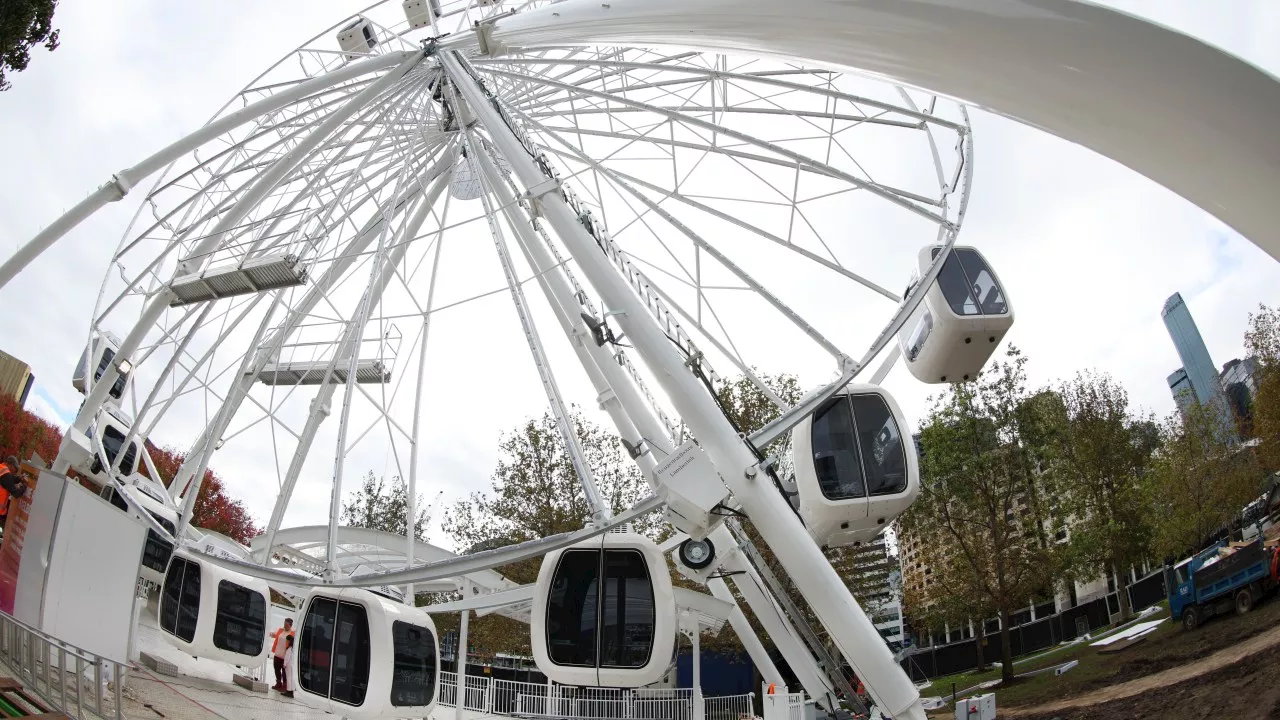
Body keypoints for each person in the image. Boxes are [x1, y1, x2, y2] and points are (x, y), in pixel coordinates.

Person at [0, 456, 28, 533]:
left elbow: (10, 480)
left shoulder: (2, 468)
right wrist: (24, 485)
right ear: (11, 465)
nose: (15, 471)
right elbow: (16, 493)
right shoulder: (6, 474)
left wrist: (19, 478)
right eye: (15, 468)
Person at [270, 618, 295, 691]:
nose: (285, 626)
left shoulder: (293, 633)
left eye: (286, 625)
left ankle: (285, 686)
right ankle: (278, 683)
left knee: (284, 672)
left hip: (285, 656)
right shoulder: (280, 630)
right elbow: (275, 635)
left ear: (290, 626)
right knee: (276, 669)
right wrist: (270, 633)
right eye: (284, 624)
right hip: (277, 654)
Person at [280, 634, 296, 698]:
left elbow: (287, 657)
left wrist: (284, 664)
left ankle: (289, 691)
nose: (286, 641)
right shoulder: (293, 649)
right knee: (291, 678)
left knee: (289, 678)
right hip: (292, 665)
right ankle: (291, 692)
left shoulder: (289, 649)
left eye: (287, 640)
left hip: (289, 665)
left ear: (289, 641)